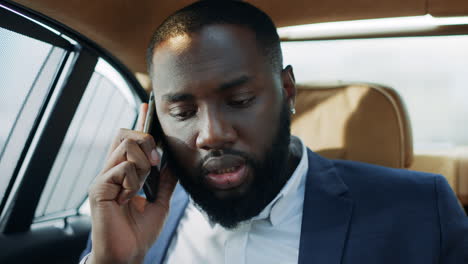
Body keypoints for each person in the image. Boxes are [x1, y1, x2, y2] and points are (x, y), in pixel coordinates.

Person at [80, 1, 468, 263]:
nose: (211, 135)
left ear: (287, 92)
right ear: (153, 124)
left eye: (241, 100)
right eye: (182, 111)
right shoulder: (131, 215)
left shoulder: (419, 210)